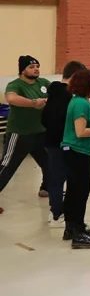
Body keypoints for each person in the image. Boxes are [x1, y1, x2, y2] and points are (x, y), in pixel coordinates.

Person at [61, 69, 90, 249]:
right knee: (79, 192)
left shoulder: (81, 102)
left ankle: (73, 227)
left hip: (76, 151)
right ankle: (78, 232)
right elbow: (81, 132)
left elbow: (87, 122)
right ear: (86, 84)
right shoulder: (80, 103)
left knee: (75, 190)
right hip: (76, 151)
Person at [0, 55, 51, 214]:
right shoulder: (16, 85)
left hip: (40, 132)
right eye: (31, 67)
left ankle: (46, 189)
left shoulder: (43, 83)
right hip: (20, 133)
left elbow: (58, 93)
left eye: (37, 66)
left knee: (50, 163)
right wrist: (33, 103)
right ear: (22, 70)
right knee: (7, 166)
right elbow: (11, 98)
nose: (35, 69)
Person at [40, 60, 84, 228]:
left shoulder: (54, 93)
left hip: (51, 140)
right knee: (58, 178)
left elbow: (44, 118)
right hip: (59, 143)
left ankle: (58, 210)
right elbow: (60, 121)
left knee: (57, 177)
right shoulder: (65, 96)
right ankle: (57, 213)